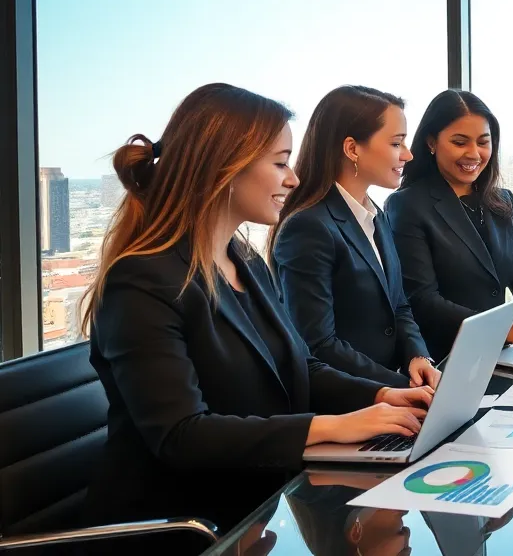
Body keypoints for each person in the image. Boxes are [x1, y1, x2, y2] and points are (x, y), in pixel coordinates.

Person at [81, 83, 433, 544]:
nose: (292, 179)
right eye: (280, 163)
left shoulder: (244, 262)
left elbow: (301, 366)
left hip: (260, 505)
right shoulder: (142, 281)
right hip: (183, 529)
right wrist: (334, 425)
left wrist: (384, 394)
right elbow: (182, 435)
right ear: (224, 168)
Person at [271, 86, 437, 389]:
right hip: (347, 407)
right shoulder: (308, 227)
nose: (408, 154)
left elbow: (399, 306)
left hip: (391, 401)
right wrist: (399, 388)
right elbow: (318, 344)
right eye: (397, 143)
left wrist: (418, 357)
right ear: (352, 149)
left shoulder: (376, 215)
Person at [386, 89, 513, 361]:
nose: (474, 154)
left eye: (483, 142)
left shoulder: (503, 201)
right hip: (445, 360)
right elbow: (422, 301)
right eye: (460, 142)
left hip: (501, 358)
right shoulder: (407, 205)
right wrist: (508, 330)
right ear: (431, 142)